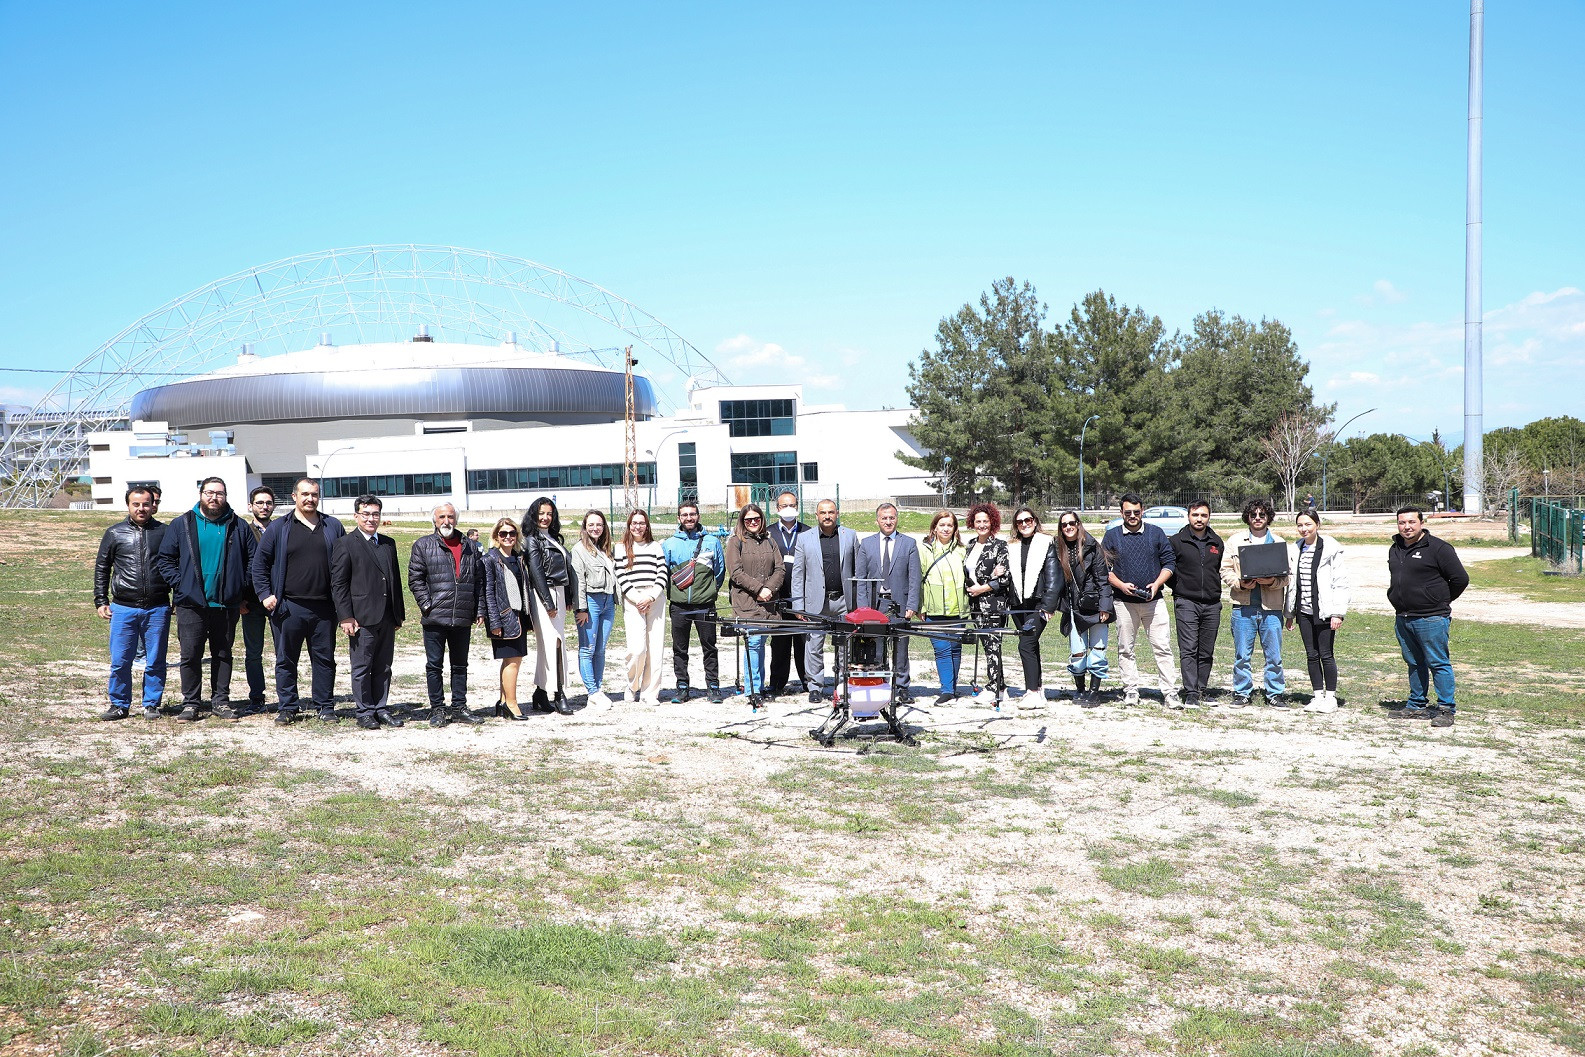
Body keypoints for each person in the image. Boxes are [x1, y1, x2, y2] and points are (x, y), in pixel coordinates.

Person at [155, 476, 256, 721]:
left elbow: (253, 560)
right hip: (191, 604)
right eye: (209, 492)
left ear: (225, 496)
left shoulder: (239, 525)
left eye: (219, 493)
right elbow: (165, 559)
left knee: (223, 653)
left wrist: (239, 587)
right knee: (190, 654)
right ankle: (191, 703)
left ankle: (221, 701)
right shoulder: (182, 524)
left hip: (226, 603)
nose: (214, 497)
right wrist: (182, 585)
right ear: (201, 494)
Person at [251, 477, 346, 724]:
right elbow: (259, 564)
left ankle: (325, 706)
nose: (310, 499)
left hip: (324, 608)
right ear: (295, 497)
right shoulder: (279, 527)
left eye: (314, 494)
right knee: (286, 660)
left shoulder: (332, 526)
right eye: (305, 494)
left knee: (324, 660)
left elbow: (344, 564)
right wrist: (265, 595)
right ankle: (288, 707)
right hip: (288, 607)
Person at [94, 485, 171, 720]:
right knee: (120, 661)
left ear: (153, 505)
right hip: (123, 607)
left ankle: (151, 704)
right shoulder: (114, 533)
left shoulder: (165, 532)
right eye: (136, 504)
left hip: (157, 607)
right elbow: (102, 568)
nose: (141, 508)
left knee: (156, 660)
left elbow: (175, 567)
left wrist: (177, 597)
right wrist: (100, 600)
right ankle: (119, 704)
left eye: (146, 504)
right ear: (128, 505)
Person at [1386, 506, 1468, 727]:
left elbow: (1460, 579)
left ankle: (1446, 709)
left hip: (1431, 618)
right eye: (1402, 522)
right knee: (1414, 662)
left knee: (1438, 663)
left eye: (1412, 522)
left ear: (1421, 523)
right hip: (1403, 617)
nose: (1407, 527)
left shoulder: (1439, 548)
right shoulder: (1395, 548)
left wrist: (1439, 601)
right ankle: (1416, 705)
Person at [331, 494, 406, 730]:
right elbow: (339, 584)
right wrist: (345, 616)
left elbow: (394, 579)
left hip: (387, 616)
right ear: (356, 516)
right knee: (362, 667)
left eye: (375, 514)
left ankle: (380, 708)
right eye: (366, 514)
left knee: (384, 666)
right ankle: (364, 711)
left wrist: (398, 614)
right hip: (361, 617)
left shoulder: (388, 543)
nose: (371, 519)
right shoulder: (345, 543)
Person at [408, 502, 486, 727]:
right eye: (441, 517)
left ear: (456, 519)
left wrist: (479, 609)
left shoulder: (470, 546)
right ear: (434, 520)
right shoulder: (423, 545)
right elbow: (415, 579)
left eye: (450, 517)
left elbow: (479, 581)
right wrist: (427, 605)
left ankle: (459, 707)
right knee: (434, 666)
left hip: (462, 615)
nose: (446, 521)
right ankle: (437, 709)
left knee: (460, 665)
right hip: (435, 617)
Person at [1102, 493, 1180, 708]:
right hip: (1123, 603)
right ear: (1121, 513)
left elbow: (1169, 563)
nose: (1132, 516)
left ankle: (1170, 692)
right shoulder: (1112, 536)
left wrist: (1157, 584)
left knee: (1162, 648)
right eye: (1128, 512)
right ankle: (1130, 690)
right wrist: (1121, 585)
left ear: (1142, 511)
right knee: (1126, 648)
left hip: (1154, 603)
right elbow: (1104, 569)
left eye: (1136, 512)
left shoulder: (1156, 533)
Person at [1220, 498, 1289, 708]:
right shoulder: (1235, 541)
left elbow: (1286, 577)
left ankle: (1275, 693)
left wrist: (1272, 582)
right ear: (1247, 517)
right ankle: (1242, 693)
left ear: (1268, 517)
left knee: (1274, 656)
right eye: (1253, 515)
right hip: (1243, 607)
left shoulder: (1278, 542)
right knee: (1242, 655)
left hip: (1271, 609)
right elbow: (1225, 570)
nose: (1257, 518)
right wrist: (1240, 584)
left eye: (1262, 515)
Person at [790, 498, 859, 703]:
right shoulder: (804, 539)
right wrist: (798, 605)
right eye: (823, 513)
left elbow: (858, 569)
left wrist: (858, 603)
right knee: (814, 646)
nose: (827, 516)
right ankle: (815, 687)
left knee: (844, 646)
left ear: (837, 514)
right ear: (817, 515)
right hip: (816, 603)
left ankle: (842, 684)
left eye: (831, 512)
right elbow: (798, 575)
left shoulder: (850, 536)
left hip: (844, 601)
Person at [1284, 509, 1350, 714]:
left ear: (1317, 525)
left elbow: (1340, 582)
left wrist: (1337, 613)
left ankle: (1330, 698)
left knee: (1326, 654)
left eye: (1308, 524)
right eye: (1300, 525)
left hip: (1324, 611)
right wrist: (1290, 614)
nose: (1304, 529)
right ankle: (1318, 696)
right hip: (1303, 612)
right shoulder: (1295, 549)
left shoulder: (1330, 549)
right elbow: (1292, 585)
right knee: (1311, 655)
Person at [854, 502, 921, 703]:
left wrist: (912, 604)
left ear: (897, 519)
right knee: (876, 647)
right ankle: (879, 684)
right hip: (875, 605)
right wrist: (863, 608)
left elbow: (914, 577)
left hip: (900, 604)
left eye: (892, 517)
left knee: (901, 648)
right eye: (884, 518)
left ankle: (901, 687)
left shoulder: (908, 543)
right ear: (877, 520)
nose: (888, 521)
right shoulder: (866, 544)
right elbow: (861, 578)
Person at [664, 502, 726, 703]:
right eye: (684, 515)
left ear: (698, 516)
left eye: (692, 514)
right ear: (678, 518)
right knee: (679, 648)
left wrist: (708, 591)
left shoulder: (712, 542)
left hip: (705, 604)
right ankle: (682, 686)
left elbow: (719, 571)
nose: (688, 518)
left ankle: (713, 686)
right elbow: (664, 573)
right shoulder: (669, 544)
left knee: (709, 646)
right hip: (679, 605)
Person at [725, 503, 785, 709]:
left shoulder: (770, 540)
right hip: (746, 602)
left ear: (762, 520)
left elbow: (780, 568)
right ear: (742, 521)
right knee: (753, 642)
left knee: (761, 644)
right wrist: (759, 589)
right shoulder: (735, 542)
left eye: (756, 519)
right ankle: (753, 690)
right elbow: (735, 572)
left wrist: (769, 588)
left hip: (768, 603)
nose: (752, 522)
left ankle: (758, 686)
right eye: (748, 519)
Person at [523, 497, 578, 716]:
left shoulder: (553, 538)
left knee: (554, 642)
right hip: (544, 595)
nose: (545, 517)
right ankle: (559, 693)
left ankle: (541, 692)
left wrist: (568, 597)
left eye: (549, 513)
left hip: (559, 593)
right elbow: (536, 573)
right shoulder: (532, 540)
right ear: (533, 515)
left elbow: (565, 569)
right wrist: (548, 602)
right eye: (541, 513)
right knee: (554, 642)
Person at [1168, 500, 1224, 708]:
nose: (1199, 519)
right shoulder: (1176, 541)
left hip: (1212, 603)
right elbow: (1169, 570)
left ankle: (1202, 689)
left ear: (1209, 517)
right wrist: (1181, 587)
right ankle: (1191, 692)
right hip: (1186, 601)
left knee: (1206, 650)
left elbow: (1218, 569)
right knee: (1189, 648)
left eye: (1203, 515)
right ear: (1188, 516)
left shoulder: (1216, 542)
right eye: (1195, 515)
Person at [1007, 507, 1064, 708]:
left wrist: (1048, 606)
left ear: (1035, 521)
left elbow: (1054, 578)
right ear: (1016, 525)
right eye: (1020, 521)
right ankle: (1038, 690)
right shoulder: (1012, 545)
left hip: (1038, 604)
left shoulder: (1046, 543)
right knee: (1031, 645)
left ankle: (1031, 691)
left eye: (1028, 520)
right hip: (1018, 604)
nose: (1024, 524)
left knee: (1026, 644)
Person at [1054, 511, 1112, 707]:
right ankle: (1080, 689)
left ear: (1078, 524)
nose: (1068, 527)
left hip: (1095, 605)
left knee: (1097, 650)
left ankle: (1094, 691)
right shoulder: (1057, 548)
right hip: (1073, 607)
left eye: (1072, 523)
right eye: (1064, 525)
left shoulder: (1092, 546)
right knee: (1077, 653)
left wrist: (1105, 607)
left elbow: (1103, 579)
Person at [616, 509, 668, 706]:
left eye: (641, 523)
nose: (638, 526)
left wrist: (651, 596)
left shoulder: (655, 546)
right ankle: (633, 685)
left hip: (654, 598)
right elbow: (621, 575)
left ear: (647, 526)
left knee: (655, 647)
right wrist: (638, 599)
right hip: (633, 601)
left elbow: (662, 572)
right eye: (634, 523)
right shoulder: (621, 547)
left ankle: (650, 692)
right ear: (629, 525)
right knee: (637, 649)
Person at [481, 518, 532, 719]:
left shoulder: (518, 558)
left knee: (511, 660)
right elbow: (488, 593)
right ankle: (512, 704)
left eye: (512, 533)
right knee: (513, 662)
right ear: (496, 536)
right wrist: (494, 622)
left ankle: (503, 701)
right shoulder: (490, 559)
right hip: (504, 618)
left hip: (519, 617)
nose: (508, 537)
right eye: (503, 533)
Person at [963, 503, 1012, 707]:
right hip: (975, 604)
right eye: (978, 521)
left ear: (992, 522)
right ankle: (999, 685)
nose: (982, 525)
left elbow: (1004, 579)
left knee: (993, 645)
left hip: (993, 604)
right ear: (972, 523)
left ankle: (995, 687)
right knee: (986, 645)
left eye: (985, 521)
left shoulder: (1000, 545)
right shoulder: (970, 545)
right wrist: (984, 581)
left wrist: (981, 589)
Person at [917, 509, 967, 705]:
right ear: (934, 528)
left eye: (950, 525)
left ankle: (951, 689)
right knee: (942, 649)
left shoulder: (962, 550)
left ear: (955, 529)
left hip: (958, 609)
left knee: (955, 648)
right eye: (942, 525)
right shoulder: (924, 550)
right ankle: (946, 690)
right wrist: (920, 606)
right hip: (934, 609)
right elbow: (918, 579)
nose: (946, 529)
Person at [570, 509, 618, 707]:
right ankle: (592, 690)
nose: (595, 528)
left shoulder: (605, 549)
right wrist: (581, 609)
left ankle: (597, 691)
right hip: (590, 602)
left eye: (599, 524)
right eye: (591, 524)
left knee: (600, 649)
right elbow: (578, 581)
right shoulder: (579, 549)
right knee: (587, 648)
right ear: (585, 527)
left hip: (608, 602)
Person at [766, 490, 811, 698]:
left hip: (802, 597)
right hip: (778, 596)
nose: (788, 509)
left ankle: (808, 682)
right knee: (779, 642)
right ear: (777, 508)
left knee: (804, 642)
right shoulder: (768, 533)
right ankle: (777, 683)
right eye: (784, 506)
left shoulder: (808, 532)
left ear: (797, 507)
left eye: (792, 505)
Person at [238, 486, 277, 712]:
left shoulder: (281, 529)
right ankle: (256, 697)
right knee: (253, 653)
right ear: (250, 506)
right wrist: (240, 599)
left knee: (284, 652)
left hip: (277, 601)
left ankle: (287, 698)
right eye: (259, 503)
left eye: (268, 503)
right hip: (251, 603)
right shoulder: (243, 531)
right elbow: (238, 565)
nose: (264, 507)